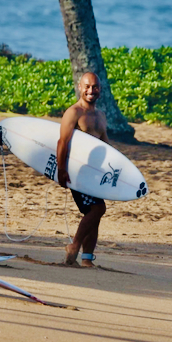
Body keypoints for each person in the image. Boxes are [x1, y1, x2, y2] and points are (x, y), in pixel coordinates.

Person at [57, 72, 109, 267]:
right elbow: (62, 142)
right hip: (77, 171)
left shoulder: (101, 116)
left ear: (100, 90)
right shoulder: (74, 112)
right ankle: (74, 246)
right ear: (80, 87)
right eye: (87, 86)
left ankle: (87, 259)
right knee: (98, 209)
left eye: (95, 87)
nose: (91, 90)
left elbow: (106, 147)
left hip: (94, 173)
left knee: (93, 213)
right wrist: (62, 170)